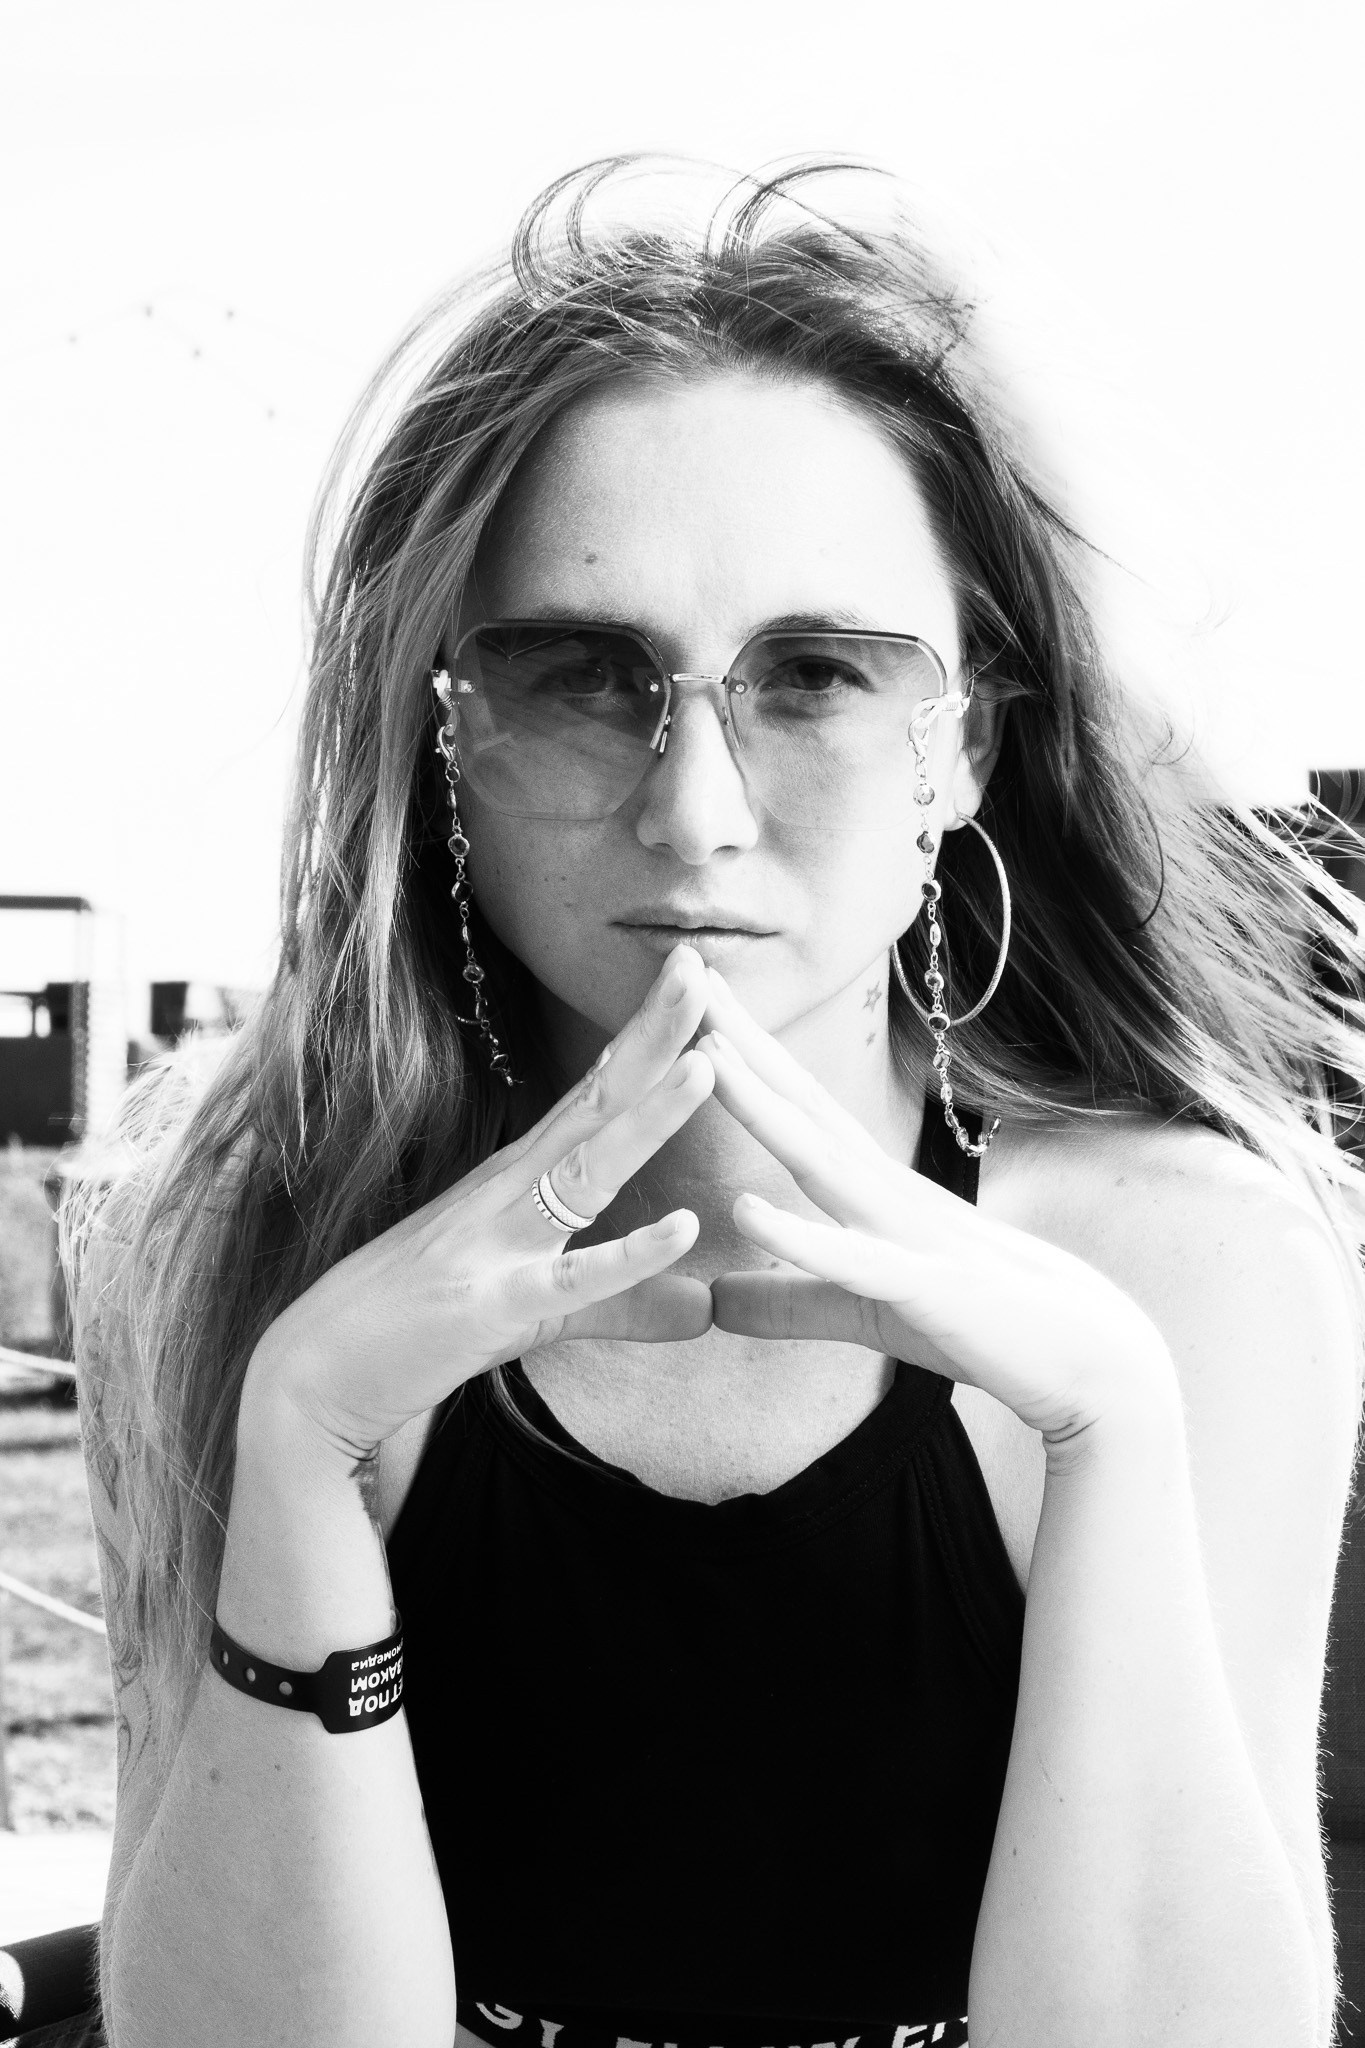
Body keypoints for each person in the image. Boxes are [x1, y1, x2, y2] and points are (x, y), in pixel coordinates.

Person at [61, 159, 1365, 2048]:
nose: (692, 813)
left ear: (966, 746)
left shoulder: (1195, 1264)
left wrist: (1112, 1432)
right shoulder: (235, 1242)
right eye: (580, 678)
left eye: (817, 675)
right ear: (438, 733)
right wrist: (300, 1447)